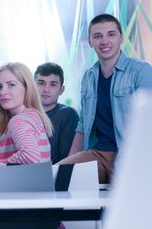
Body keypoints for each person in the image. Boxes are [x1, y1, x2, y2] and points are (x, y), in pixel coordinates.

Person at [58, 14, 152, 183]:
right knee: (59, 177)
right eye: (97, 36)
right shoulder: (89, 76)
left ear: (121, 38)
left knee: (126, 203)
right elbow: (83, 123)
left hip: (131, 155)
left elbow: (148, 120)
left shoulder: (141, 70)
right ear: (90, 41)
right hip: (98, 154)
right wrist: (69, 163)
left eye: (111, 34)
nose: (104, 41)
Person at [0, 62, 52, 165]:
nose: (2, 92)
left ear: (27, 88)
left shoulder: (18, 121)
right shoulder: (34, 116)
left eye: (11, 85)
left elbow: (30, 156)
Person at [34, 62, 79, 163]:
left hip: (52, 175)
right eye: (41, 83)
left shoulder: (67, 115)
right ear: (33, 86)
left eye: (53, 84)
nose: (46, 89)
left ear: (61, 90)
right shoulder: (23, 115)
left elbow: (67, 160)